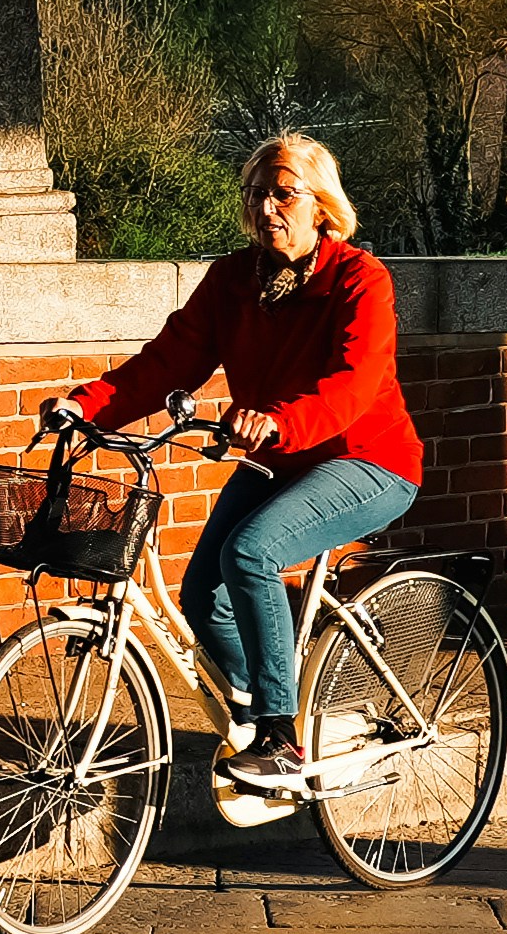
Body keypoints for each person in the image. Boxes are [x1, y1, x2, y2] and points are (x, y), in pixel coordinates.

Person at [52, 133, 423, 798]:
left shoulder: (360, 280)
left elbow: (353, 382)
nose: (268, 205)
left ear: (322, 207)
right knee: (202, 593)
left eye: (284, 191)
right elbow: (167, 362)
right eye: (257, 193)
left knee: (250, 553)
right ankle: (253, 711)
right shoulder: (231, 281)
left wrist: (279, 419)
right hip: (279, 460)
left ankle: (282, 739)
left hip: (366, 460)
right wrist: (87, 407)